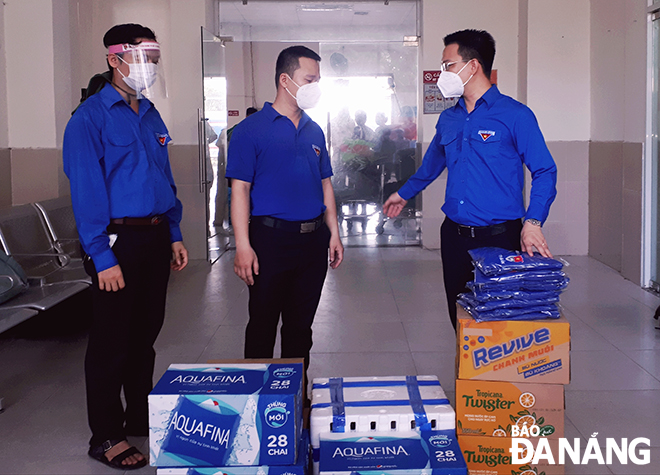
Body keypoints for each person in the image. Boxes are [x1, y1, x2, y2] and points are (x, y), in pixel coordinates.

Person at [63, 23, 188, 470]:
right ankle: (107, 436)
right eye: (141, 59)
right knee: (111, 341)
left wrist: (172, 232)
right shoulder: (90, 119)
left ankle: (139, 416)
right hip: (116, 242)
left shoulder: (150, 113)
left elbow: (163, 178)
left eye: (154, 60)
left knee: (145, 336)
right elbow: (87, 194)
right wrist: (101, 256)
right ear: (114, 60)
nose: (149, 68)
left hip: (154, 236)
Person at [383, 29, 557, 330]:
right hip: (454, 237)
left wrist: (533, 222)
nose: (443, 73)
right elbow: (433, 163)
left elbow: (545, 170)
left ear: (472, 65)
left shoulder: (516, 115)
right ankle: (469, 376)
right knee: (461, 318)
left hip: (500, 238)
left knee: (500, 321)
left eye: (448, 65)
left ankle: (497, 377)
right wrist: (404, 193)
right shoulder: (449, 118)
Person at [226, 45, 343, 378]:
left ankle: (295, 401)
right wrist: (243, 245)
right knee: (262, 323)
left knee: (300, 329)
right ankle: (256, 401)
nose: (315, 87)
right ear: (284, 79)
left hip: (312, 241)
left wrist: (334, 232)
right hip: (269, 240)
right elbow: (240, 190)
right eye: (309, 79)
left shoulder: (314, 130)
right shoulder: (250, 130)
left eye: (318, 80)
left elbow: (325, 186)